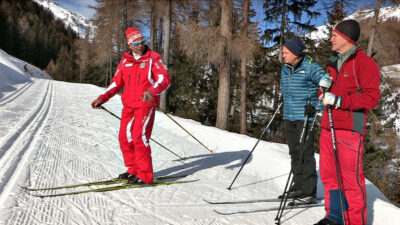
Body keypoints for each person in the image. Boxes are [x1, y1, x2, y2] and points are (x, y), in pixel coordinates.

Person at [315, 20, 380, 225]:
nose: (330, 38)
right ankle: (334, 216)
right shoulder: (333, 62)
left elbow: (371, 97)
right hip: (328, 126)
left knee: (350, 180)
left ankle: (354, 221)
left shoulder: (364, 63)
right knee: (329, 175)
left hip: (350, 129)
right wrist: (323, 89)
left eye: (334, 35)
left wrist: (341, 101)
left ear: (346, 38)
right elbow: (325, 95)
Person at [91, 27, 170, 184]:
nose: (140, 45)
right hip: (129, 106)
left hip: (145, 105)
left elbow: (164, 79)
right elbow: (116, 83)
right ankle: (133, 170)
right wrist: (102, 98)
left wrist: (152, 92)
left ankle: (145, 175)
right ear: (129, 44)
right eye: (136, 43)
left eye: (142, 41)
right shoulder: (125, 61)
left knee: (139, 138)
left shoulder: (153, 58)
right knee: (125, 138)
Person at [280, 37, 325, 204]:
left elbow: (327, 87)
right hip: (289, 115)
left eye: (286, 53)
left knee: (305, 154)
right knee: (294, 153)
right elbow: (285, 88)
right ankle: (298, 186)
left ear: (296, 53)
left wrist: (316, 107)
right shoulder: (285, 69)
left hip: (305, 117)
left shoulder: (311, 67)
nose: (283, 56)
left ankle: (308, 191)